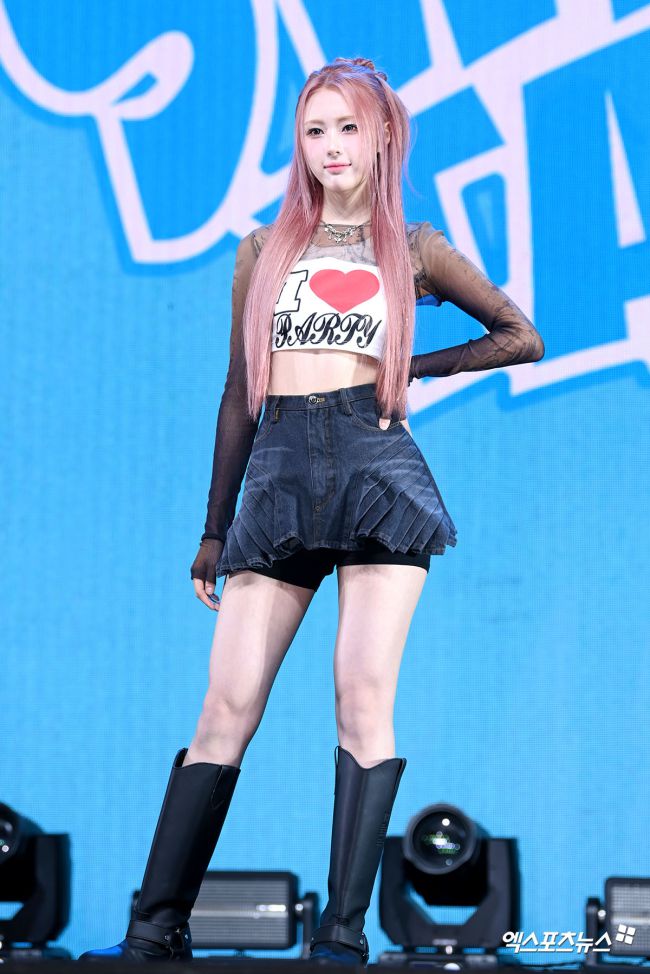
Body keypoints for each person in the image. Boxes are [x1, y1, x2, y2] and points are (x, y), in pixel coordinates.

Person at [80, 57, 544, 966]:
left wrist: (410, 371)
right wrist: (214, 529)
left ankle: (341, 935)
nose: (331, 146)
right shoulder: (264, 250)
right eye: (314, 130)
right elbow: (238, 394)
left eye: (348, 128)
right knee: (226, 705)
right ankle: (155, 930)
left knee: (361, 695)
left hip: (376, 470)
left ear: (383, 135)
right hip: (281, 473)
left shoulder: (413, 247)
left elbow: (520, 336)